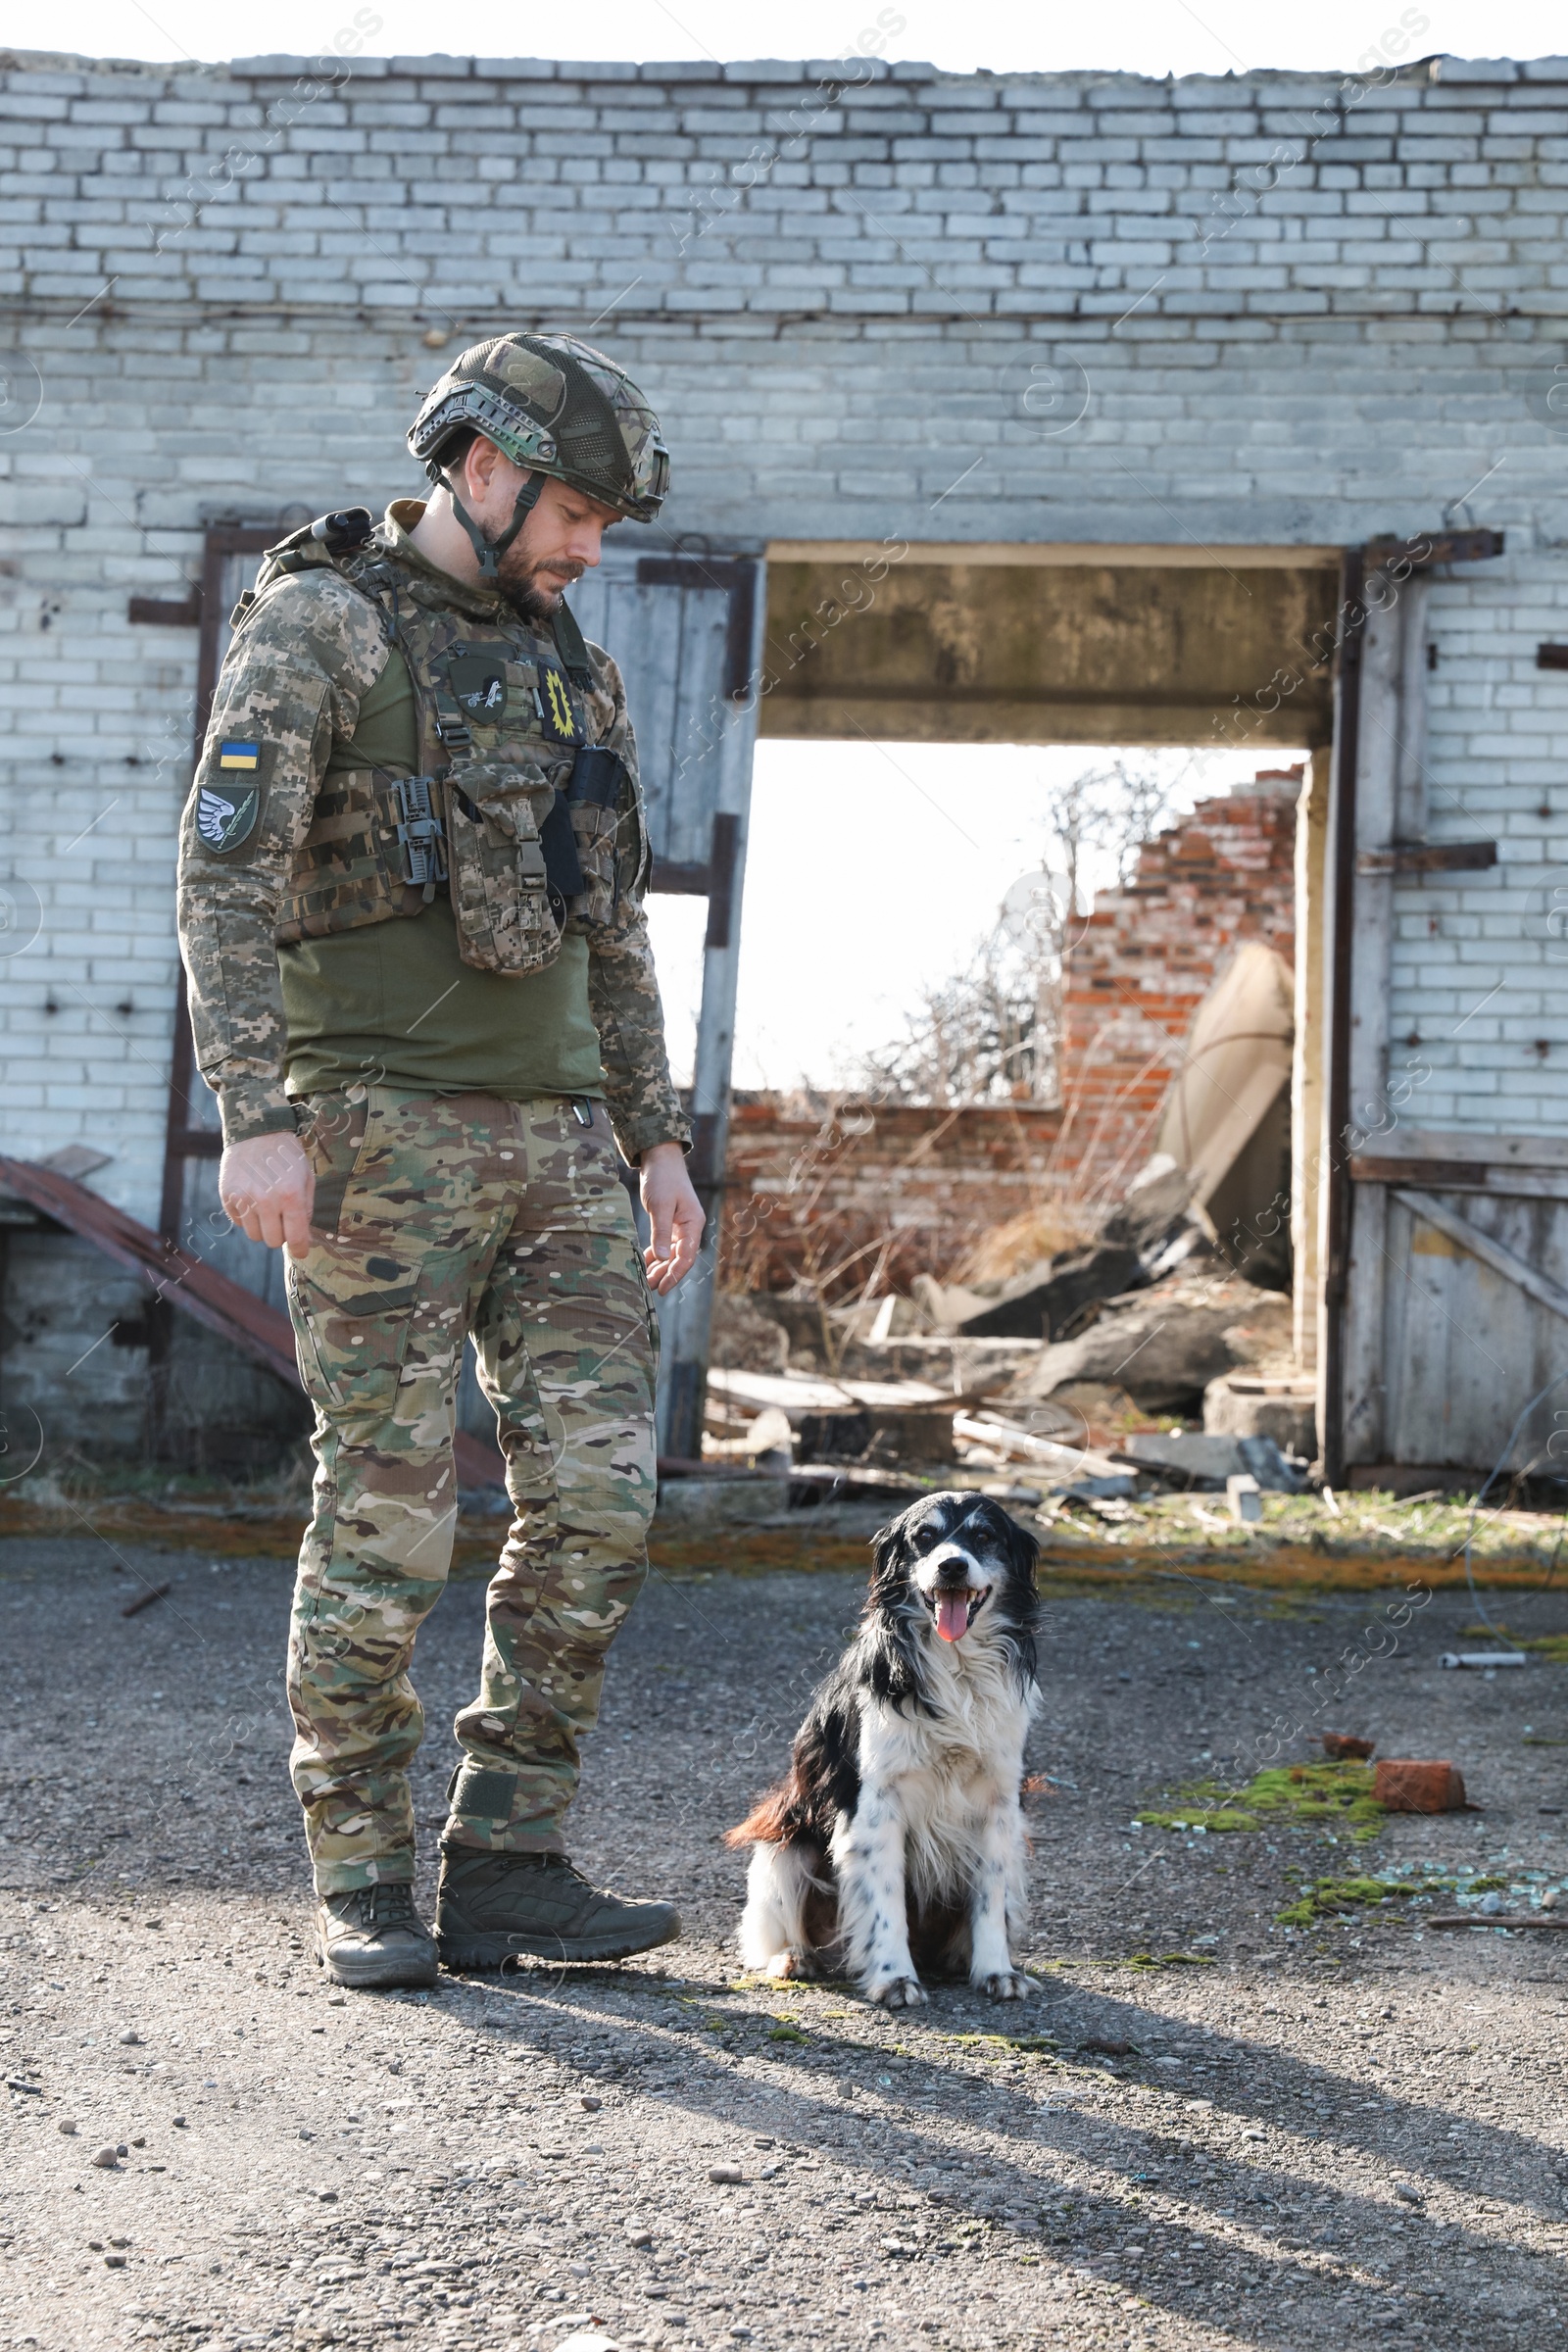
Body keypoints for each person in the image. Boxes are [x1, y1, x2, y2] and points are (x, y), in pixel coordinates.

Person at [175, 333, 704, 1988]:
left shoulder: (579, 674)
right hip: (373, 1133)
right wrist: (254, 1115)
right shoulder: (319, 627)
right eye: (575, 513)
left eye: (607, 525)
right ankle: (361, 1877)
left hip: (559, 1145)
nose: (590, 549)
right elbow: (226, 886)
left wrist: (660, 1144)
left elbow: (615, 932)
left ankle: (511, 1860)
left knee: (605, 1502)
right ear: (480, 466)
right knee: (391, 1512)